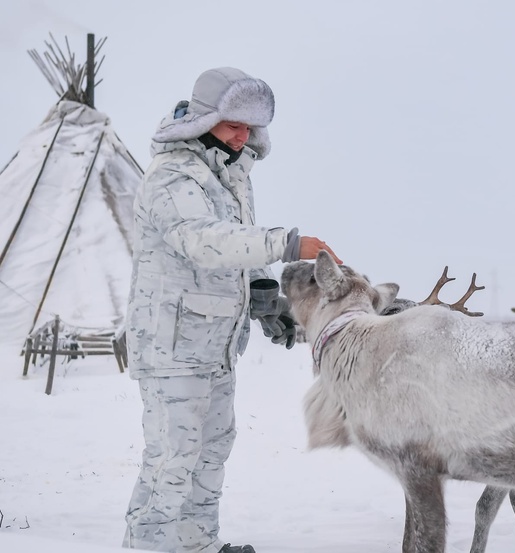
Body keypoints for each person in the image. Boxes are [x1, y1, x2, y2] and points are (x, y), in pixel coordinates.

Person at [123, 67, 341, 553]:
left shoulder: (233, 176)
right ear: (205, 120)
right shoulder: (173, 176)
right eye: (231, 125)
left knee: (210, 452)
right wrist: (287, 244)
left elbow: (238, 250)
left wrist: (265, 297)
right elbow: (204, 241)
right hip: (173, 345)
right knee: (172, 459)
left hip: (216, 345)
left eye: (249, 127)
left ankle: (197, 544)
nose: (242, 137)